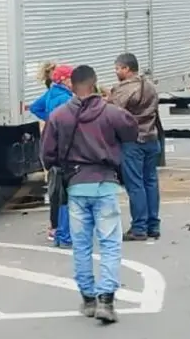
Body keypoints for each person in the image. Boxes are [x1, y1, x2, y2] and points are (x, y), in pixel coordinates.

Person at [41, 65, 138, 323]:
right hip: (105, 184)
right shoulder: (110, 112)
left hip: (75, 186)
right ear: (94, 83)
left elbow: (47, 154)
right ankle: (106, 299)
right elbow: (132, 130)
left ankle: (88, 298)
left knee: (81, 245)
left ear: (71, 85)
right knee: (109, 243)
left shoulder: (59, 116)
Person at [106, 52, 162, 241]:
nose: (116, 72)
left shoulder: (124, 89)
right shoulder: (150, 86)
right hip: (151, 138)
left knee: (135, 185)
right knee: (150, 182)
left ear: (126, 68)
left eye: (117, 68)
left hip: (133, 141)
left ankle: (139, 228)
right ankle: (153, 225)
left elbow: (112, 112)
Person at [29, 63, 74, 246]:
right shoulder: (65, 99)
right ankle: (62, 232)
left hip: (51, 146)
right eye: (71, 78)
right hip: (64, 148)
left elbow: (34, 107)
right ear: (64, 79)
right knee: (65, 193)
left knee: (56, 190)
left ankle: (55, 229)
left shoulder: (51, 93)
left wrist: (48, 120)